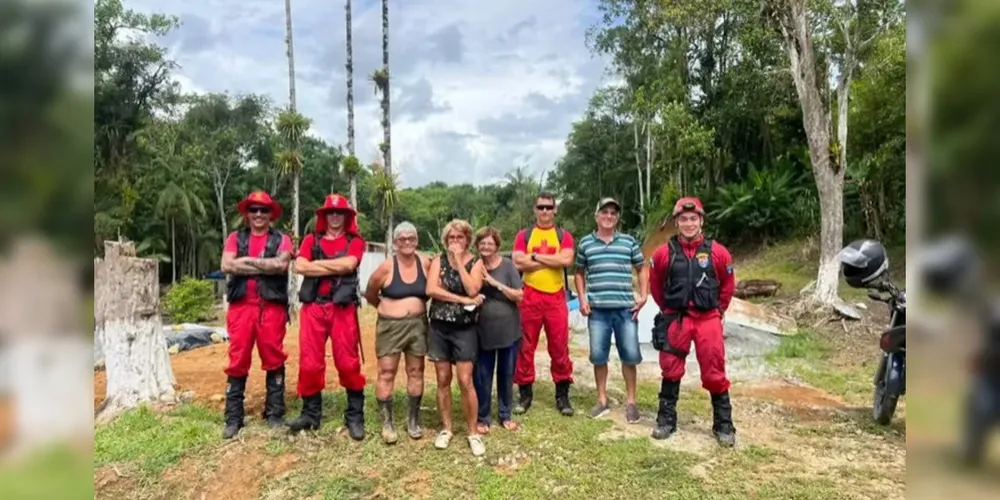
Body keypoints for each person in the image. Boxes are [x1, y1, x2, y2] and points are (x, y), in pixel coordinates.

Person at [648, 197, 737, 447]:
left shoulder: (718, 252)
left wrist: (718, 310)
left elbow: (728, 285)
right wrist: (667, 309)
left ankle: (723, 423)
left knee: (714, 370)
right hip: (676, 318)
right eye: (684, 219)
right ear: (676, 222)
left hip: (707, 318)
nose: (689, 223)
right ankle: (666, 419)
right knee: (670, 368)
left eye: (693, 219)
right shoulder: (663, 254)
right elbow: (656, 286)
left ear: (701, 221)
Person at [287, 194, 368, 441]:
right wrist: (335, 265)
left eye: (339, 213)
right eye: (330, 213)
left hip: (342, 308)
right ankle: (311, 414)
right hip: (313, 308)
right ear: (324, 216)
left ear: (346, 216)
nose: (334, 216)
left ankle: (354, 415)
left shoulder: (355, 241)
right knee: (310, 362)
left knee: (348, 362)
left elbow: (349, 265)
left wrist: (318, 266)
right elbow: (300, 266)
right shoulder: (311, 240)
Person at [218, 191, 294, 439]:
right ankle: (233, 418)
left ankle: (274, 413)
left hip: (271, 308)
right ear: (247, 213)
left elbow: (280, 265)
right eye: (254, 209)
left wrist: (246, 261)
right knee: (238, 358)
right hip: (241, 307)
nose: (259, 214)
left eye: (264, 210)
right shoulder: (235, 238)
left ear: (271, 213)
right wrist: (263, 265)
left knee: (274, 357)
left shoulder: (282, 239)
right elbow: (227, 265)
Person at [573, 198, 648, 423]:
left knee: (630, 357)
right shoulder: (585, 243)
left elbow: (641, 268)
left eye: (613, 213)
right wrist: (582, 299)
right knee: (599, 357)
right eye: (604, 212)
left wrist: (644, 295)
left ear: (617, 218)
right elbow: (579, 273)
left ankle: (631, 402)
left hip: (625, 310)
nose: (609, 216)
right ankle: (602, 399)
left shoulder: (628, 242)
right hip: (597, 312)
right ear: (596, 216)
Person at [364, 222, 431, 444]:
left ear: (417, 240)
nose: (407, 242)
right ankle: (387, 423)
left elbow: (434, 287)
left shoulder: (425, 263)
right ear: (395, 243)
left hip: (418, 325)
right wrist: (389, 309)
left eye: (411, 238)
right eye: (402, 239)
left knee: (416, 370)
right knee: (387, 372)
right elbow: (371, 292)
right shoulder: (386, 267)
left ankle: (413, 420)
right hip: (390, 327)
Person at [425, 219, 487, 456]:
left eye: (460, 237)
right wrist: (462, 300)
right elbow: (431, 290)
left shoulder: (475, 262)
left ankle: (473, 431)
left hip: (465, 328)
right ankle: (446, 428)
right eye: (451, 237)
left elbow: (473, 289)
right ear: (445, 240)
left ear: (467, 239)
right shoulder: (438, 261)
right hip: (439, 326)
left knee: (465, 380)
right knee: (442, 379)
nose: (455, 241)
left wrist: (460, 262)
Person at [511, 192, 576, 416]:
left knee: (559, 347)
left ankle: (562, 395)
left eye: (549, 207)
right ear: (535, 210)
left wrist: (535, 257)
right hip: (529, 296)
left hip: (556, 297)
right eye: (541, 207)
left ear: (555, 209)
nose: (545, 211)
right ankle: (525, 394)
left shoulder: (563, 235)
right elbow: (517, 261)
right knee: (525, 347)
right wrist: (551, 261)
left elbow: (566, 260)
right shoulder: (524, 235)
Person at [472, 226, 524, 434]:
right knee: (482, 376)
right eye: (482, 243)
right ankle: (483, 417)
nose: (486, 246)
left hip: (508, 330)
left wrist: (495, 284)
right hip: (482, 330)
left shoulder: (508, 266)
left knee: (506, 374)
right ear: (477, 245)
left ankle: (505, 414)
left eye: (490, 243)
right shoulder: (474, 266)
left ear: (497, 246)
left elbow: (519, 295)